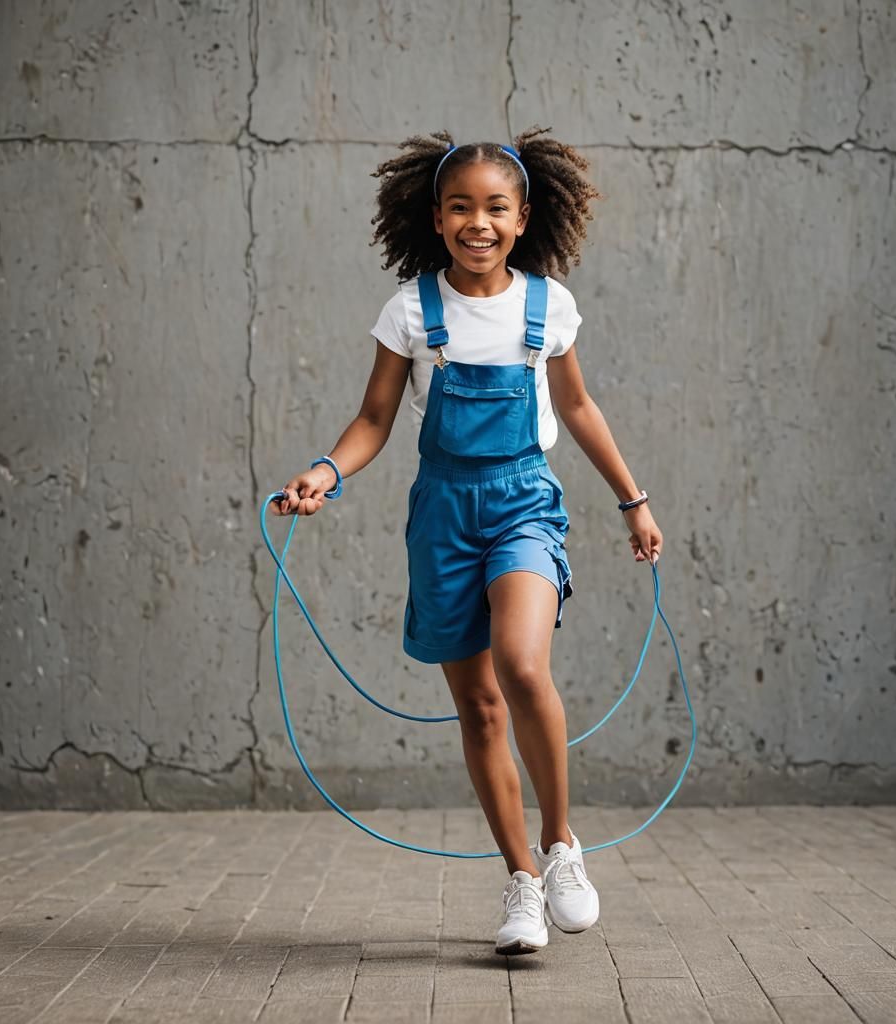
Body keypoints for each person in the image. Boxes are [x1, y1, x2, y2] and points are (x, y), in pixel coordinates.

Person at [272, 126, 663, 956]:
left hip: (524, 501)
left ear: (524, 218)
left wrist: (633, 499)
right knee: (479, 707)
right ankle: (520, 881)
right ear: (436, 217)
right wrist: (323, 473)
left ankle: (562, 848)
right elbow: (375, 420)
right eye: (460, 207)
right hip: (443, 515)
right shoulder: (411, 309)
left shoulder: (546, 305)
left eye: (495, 208)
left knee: (522, 667)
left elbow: (581, 410)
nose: (477, 222)